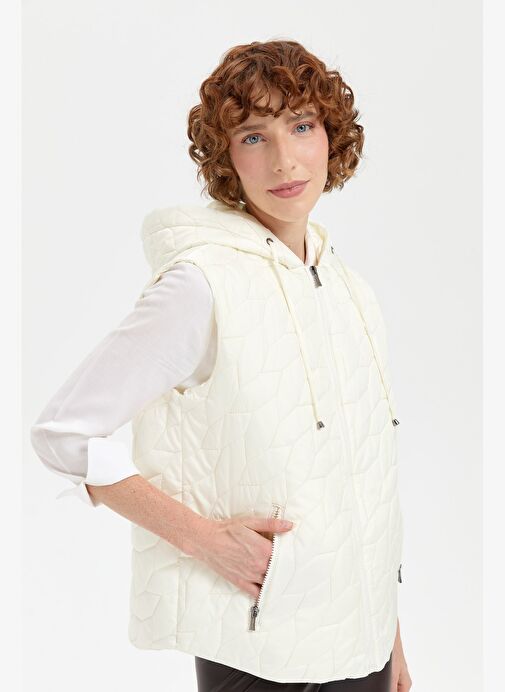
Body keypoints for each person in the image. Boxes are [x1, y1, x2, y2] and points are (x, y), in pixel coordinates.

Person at [30, 39, 412, 691]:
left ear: (331, 136)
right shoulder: (200, 284)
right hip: (256, 643)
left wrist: (391, 639)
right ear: (225, 158)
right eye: (253, 136)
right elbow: (64, 434)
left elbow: (360, 479)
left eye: (301, 126)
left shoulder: (351, 290)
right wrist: (204, 540)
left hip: (362, 646)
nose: (284, 159)